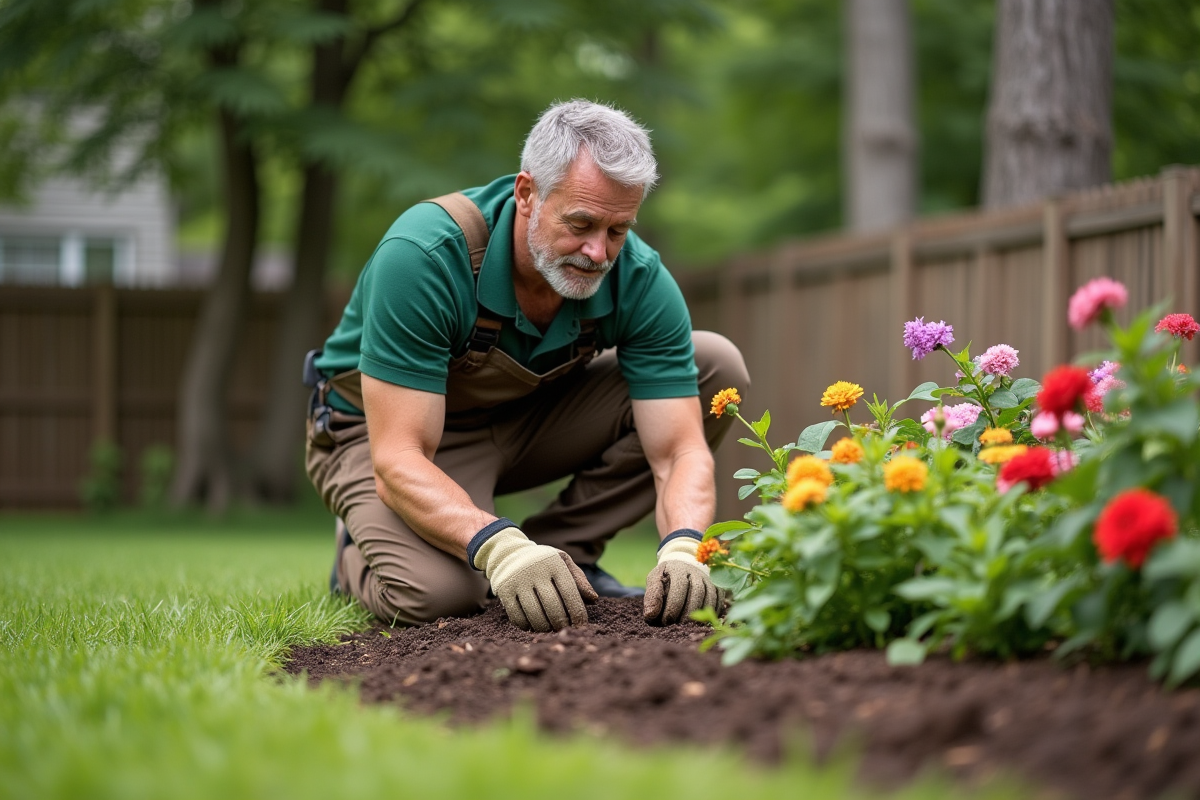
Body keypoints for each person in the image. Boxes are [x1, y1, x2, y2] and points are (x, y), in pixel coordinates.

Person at [304, 99, 749, 633]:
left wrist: (683, 547)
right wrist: (500, 548)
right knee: (439, 595)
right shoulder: (424, 255)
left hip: (524, 419)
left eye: (617, 230)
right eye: (581, 223)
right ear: (526, 193)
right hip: (380, 434)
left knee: (714, 366)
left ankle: (563, 557)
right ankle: (354, 554)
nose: (597, 253)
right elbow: (398, 457)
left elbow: (677, 450)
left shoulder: (638, 279)